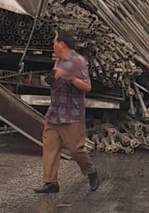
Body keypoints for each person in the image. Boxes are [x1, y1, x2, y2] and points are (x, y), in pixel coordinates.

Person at [34, 30, 100, 194]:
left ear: (62, 44)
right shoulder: (59, 61)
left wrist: (69, 78)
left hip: (71, 114)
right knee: (49, 146)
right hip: (54, 112)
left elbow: (87, 86)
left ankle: (90, 171)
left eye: (54, 42)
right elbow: (58, 81)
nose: (53, 46)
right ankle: (51, 182)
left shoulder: (78, 61)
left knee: (76, 150)